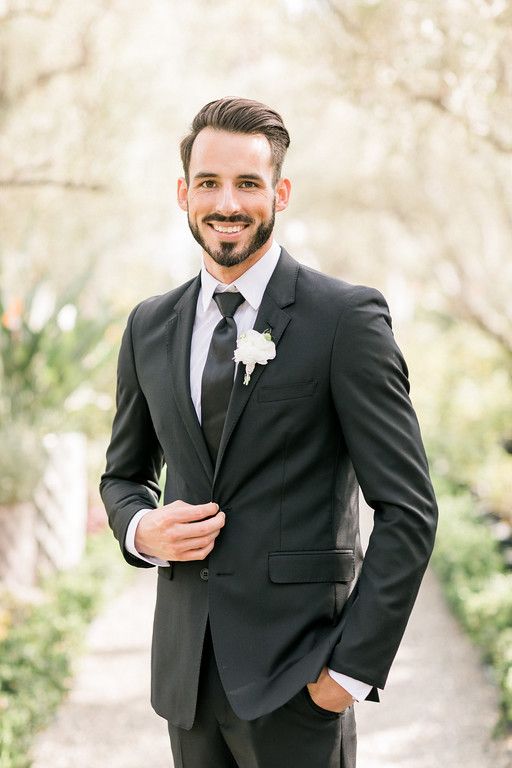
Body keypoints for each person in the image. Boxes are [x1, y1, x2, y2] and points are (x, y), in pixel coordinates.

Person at [100, 97, 438, 768]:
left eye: (248, 183)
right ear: (183, 193)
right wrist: (142, 530)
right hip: (186, 684)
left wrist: (345, 675)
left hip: (299, 682)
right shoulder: (148, 326)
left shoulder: (345, 320)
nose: (227, 202)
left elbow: (409, 510)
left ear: (280, 192)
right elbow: (123, 475)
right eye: (209, 183)